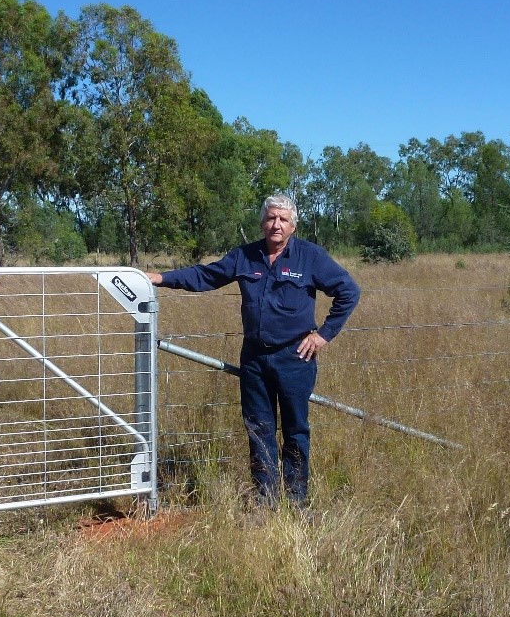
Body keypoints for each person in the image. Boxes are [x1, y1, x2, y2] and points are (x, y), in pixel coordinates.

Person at [146, 194, 360, 509]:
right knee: (258, 428)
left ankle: (297, 500)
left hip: (295, 357)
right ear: (262, 222)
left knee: (295, 429)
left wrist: (323, 335)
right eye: (271, 218)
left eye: (283, 219)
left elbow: (348, 291)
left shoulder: (310, 257)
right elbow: (207, 276)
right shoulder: (246, 256)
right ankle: (266, 499)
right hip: (255, 358)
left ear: (293, 225)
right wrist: (161, 278)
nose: (276, 224)